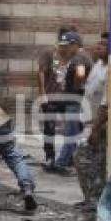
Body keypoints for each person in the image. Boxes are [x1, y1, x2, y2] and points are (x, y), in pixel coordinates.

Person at [46, 30, 92, 174]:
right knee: (74, 132)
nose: (64, 49)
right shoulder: (80, 56)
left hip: (74, 101)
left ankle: (61, 163)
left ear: (75, 44)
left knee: (70, 134)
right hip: (74, 100)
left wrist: (77, 86)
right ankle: (71, 160)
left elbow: (80, 74)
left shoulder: (79, 57)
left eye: (66, 46)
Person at [73, 33, 109, 209]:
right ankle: (89, 198)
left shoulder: (110, 69)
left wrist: (96, 128)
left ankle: (94, 200)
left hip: (98, 124)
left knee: (88, 160)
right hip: (87, 120)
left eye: (102, 45)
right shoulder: (98, 65)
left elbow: (106, 104)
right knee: (84, 160)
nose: (98, 48)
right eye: (98, 45)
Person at [37, 28, 71, 167]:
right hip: (50, 97)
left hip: (67, 98)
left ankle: (67, 156)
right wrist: (43, 93)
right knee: (49, 128)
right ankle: (49, 156)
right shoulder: (49, 53)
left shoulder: (73, 55)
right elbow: (41, 72)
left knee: (71, 127)